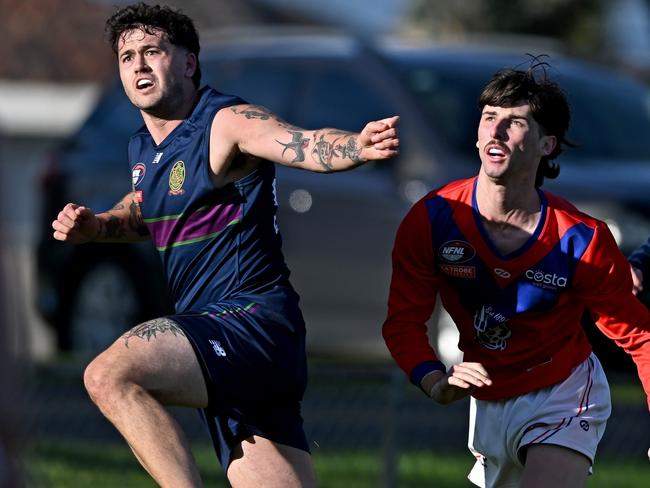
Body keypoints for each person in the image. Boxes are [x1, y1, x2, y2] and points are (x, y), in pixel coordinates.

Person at [51, 3, 399, 487]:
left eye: (152, 51)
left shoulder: (225, 122)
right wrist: (98, 226)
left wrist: (354, 147)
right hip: (227, 349)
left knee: (108, 375)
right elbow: (146, 207)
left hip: (250, 324)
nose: (139, 65)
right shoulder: (142, 149)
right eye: (127, 56)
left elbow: (297, 141)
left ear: (189, 62)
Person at [382, 60, 650, 488]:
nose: (496, 131)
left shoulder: (581, 238)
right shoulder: (432, 219)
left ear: (547, 145)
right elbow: (403, 323)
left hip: (564, 393)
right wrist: (435, 381)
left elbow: (639, 335)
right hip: (488, 404)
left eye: (515, 122)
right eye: (489, 118)